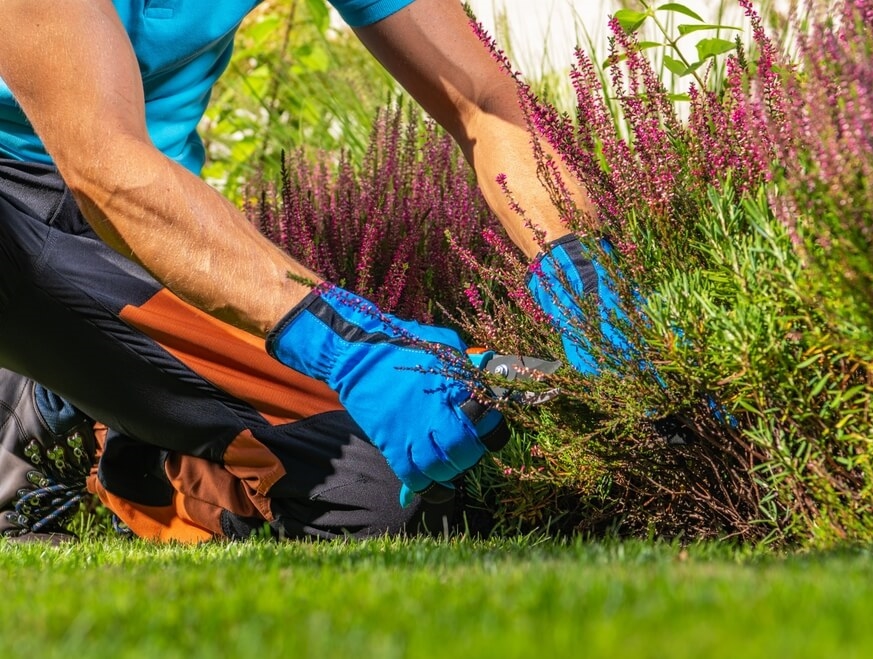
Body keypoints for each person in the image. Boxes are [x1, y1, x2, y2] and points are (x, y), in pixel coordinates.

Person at [0, 0, 628, 543]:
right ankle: (53, 391)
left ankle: (123, 446)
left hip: (156, 219)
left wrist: (585, 274)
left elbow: (486, 103)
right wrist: (350, 346)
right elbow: (103, 166)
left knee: (389, 493)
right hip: (33, 213)